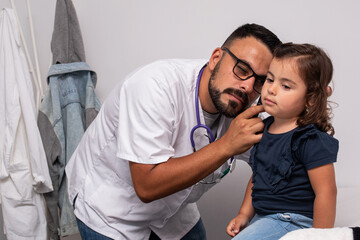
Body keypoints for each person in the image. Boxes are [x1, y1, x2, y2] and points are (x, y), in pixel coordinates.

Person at [65, 23, 281, 240]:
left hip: (173, 207)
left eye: (261, 82)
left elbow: (278, 163)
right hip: (112, 207)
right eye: (242, 70)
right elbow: (147, 186)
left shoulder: (248, 109)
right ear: (216, 58)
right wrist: (226, 146)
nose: (248, 86)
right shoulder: (154, 86)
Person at [226, 43, 339, 240]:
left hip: (294, 221)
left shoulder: (309, 139)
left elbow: (326, 192)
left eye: (286, 86)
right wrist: (244, 214)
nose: (271, 89)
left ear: (311, 98)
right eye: (270, 79)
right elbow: (257, 177)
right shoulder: (264, 129)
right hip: (265, 218)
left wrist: (319, 236)